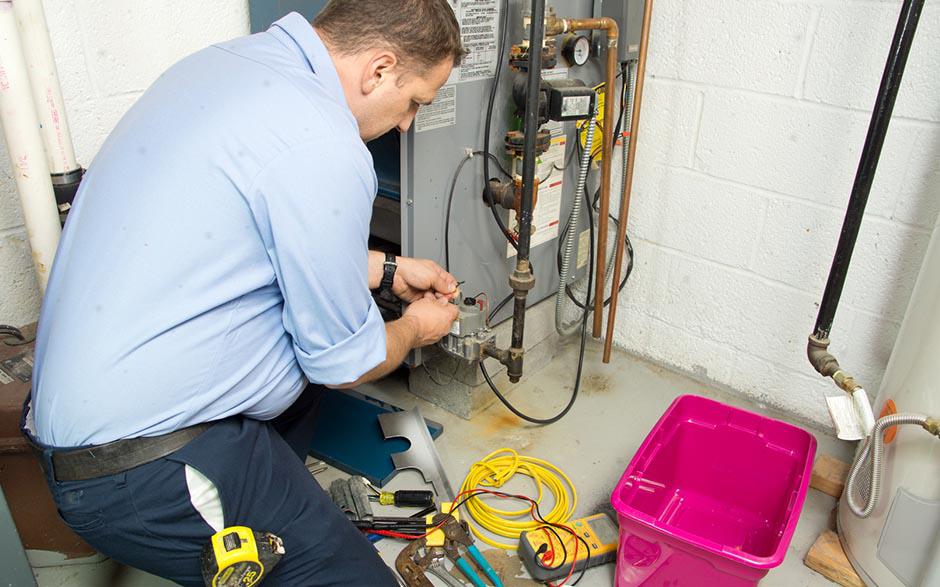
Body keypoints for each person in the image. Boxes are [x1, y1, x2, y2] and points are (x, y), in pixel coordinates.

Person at [22, 1, 464, 584]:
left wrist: (389, 271)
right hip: (136, 471)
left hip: (96, 415)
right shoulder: (325, 143)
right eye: (415, 102)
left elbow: (255, 242)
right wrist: (416, 328)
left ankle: (281, 499)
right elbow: (347, 362)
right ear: (379, 69)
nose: (408, 123)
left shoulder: (229, 66)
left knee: (299, 385)